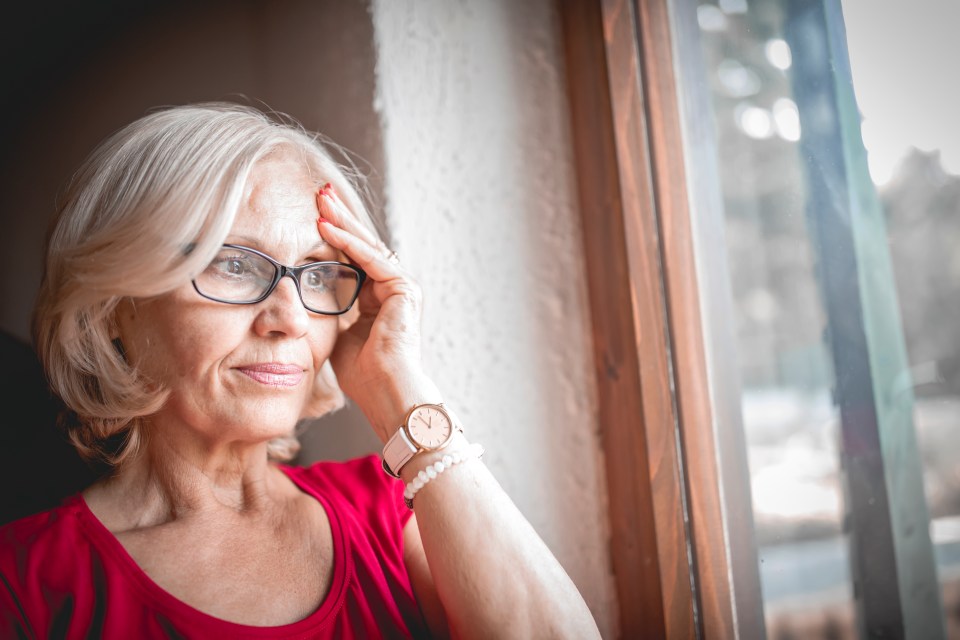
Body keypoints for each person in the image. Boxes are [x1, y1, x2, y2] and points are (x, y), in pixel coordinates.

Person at [0, 102, 600, 639]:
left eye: (316, 273)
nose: (289, 318)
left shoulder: (390, 510)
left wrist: (396, 385)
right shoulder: (25, 584)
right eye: (233, 264)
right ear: (114, 308)